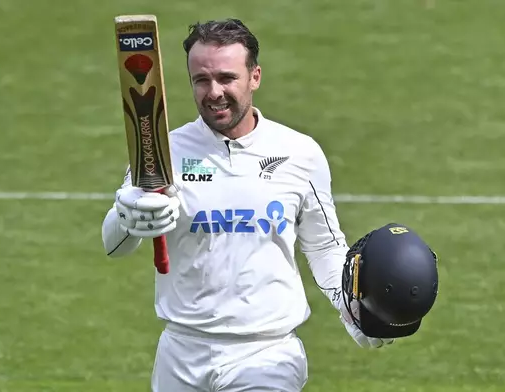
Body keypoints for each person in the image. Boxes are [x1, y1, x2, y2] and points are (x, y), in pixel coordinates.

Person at [101, 18, 393, 392]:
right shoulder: (162, 152)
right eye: (201, 80)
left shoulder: (299, 153)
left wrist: (351, 306)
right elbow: (114, 245)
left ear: (255, 76)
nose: (214, 92)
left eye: (227, 78)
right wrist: (128, 215)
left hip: (266, 355)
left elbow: (323, 245)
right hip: (181, 354)